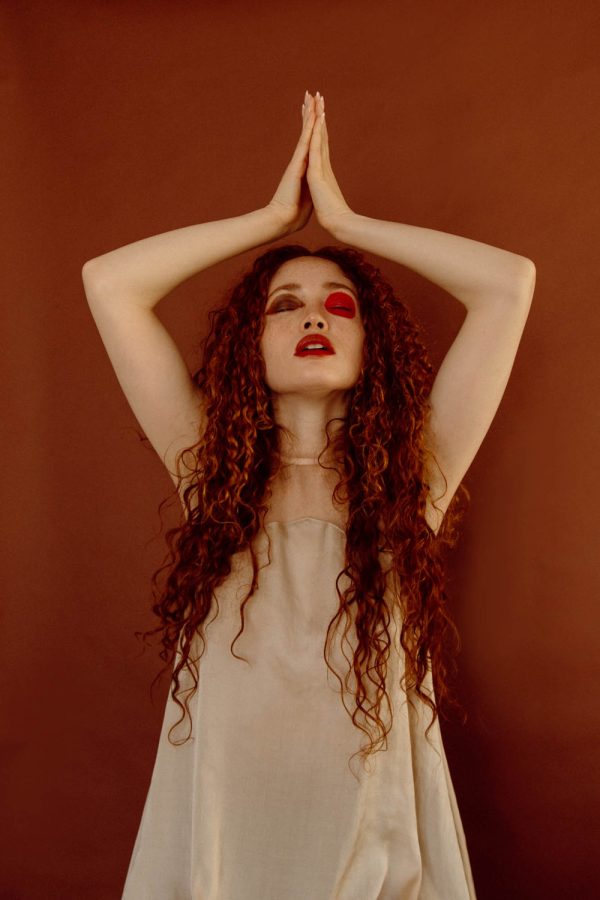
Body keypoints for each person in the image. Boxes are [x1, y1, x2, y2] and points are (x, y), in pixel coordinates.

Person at [82, 90, 535, 899]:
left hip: (368, 833)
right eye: (284, 307)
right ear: (248, 346)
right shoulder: (211, 478)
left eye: (339, 305)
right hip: (230, 827)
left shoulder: (412, 484)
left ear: (372, 345)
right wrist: (269, 221)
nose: (314, 318)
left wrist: (348, 224)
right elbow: (109, 283)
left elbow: (509, 284)